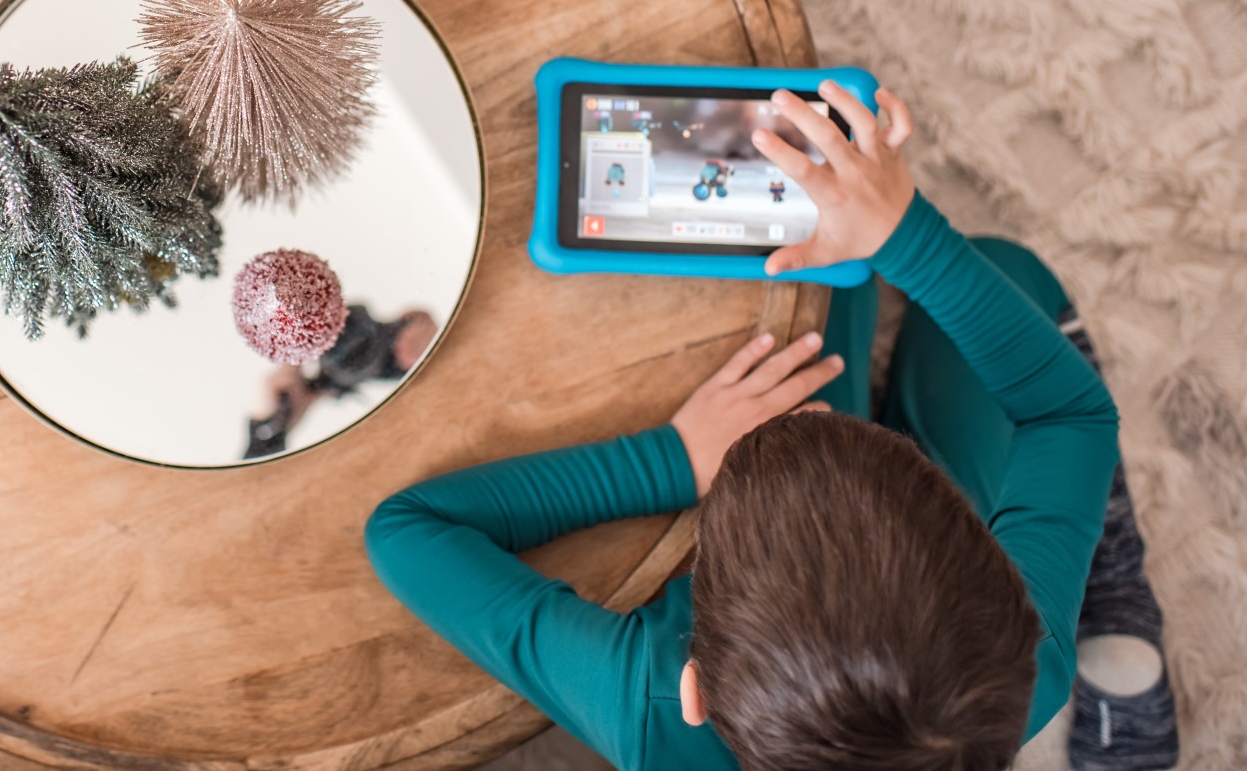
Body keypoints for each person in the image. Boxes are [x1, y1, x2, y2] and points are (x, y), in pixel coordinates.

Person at [367, 81, 1180, 771]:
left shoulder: (653, 708)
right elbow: (1068, 410)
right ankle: (1107, 583)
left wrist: (671, 459)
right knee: (993, 268)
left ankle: (1090, 566)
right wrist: (909, 237)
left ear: (696, 685)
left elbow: (407, 528)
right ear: (1005, 595)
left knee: (832, 283)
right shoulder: (1015, 670)